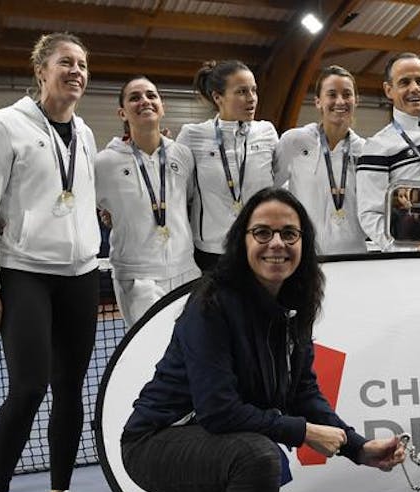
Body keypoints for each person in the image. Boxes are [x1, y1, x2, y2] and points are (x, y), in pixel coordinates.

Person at [86, 187, 405, 492]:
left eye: (289, 234)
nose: (276, 243)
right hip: (158, 443)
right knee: (259, 457)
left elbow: (303, 394)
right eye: (263, 232)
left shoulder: (294, 308)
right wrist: (301, 433)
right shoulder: (209, 304)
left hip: (217, 446)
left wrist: (359, 449)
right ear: (243, 241)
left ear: (303, 243)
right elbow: (217, 410)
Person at [0, 32, 101, 492]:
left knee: (71, 386)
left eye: (83, 65)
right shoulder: (3, 126)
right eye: (66, 62)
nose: (77, 71)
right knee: (29, 387)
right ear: (40, 69)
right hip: (23, 271)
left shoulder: (86, 133)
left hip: (81, 274)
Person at [96, 76, 200, 328]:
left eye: (151, 95)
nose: (145, 101)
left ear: (162, 106)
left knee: (193, 350)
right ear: (122, 112)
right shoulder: (103, 163)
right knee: (152, 356)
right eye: (135, 97)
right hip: (138, 278)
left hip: (186, 271)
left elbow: (186, 200)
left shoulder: (183, 155)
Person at [176, 60, 278, 272]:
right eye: (241, 91)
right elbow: (176, 188)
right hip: (212, 252)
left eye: (254, 90)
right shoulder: (193, 135)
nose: (251, 98)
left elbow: (279, 182)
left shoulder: (266, 132)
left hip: (259, 246)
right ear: (218, 97)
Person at [357, 52, 420, 249]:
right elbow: (369, 213)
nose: (414, 88)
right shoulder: (377, 146)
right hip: (409, 256)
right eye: (404, 82)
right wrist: (402, 250)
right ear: (389, 90)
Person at [274, 65, 369, 255]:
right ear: (318, 101)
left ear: (356, 101)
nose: (340, 101)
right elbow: (270, 189)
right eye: (332, 94)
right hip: (305, 256)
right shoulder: (294, 141)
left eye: (347, 94)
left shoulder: (366, 150)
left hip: (355, 257)